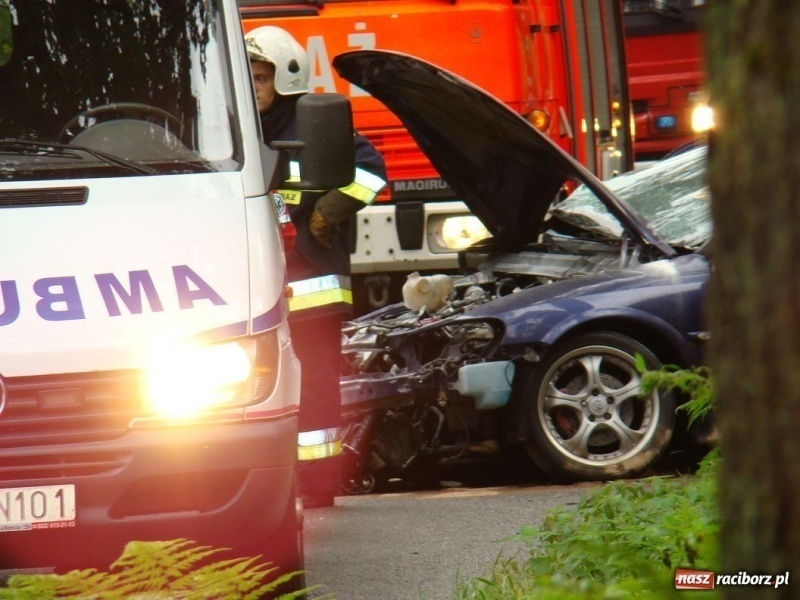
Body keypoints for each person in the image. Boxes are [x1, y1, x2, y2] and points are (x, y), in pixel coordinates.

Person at [245, 25, 388, 507]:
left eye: (261, 78)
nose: (253, 86)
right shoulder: (235, 131)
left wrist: (332, 208)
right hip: (253, 283)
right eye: (247, 77)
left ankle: (320, 481)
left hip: (311, 285)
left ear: (285, 80)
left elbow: (371, 170)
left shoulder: (312, 122)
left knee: (315, 383)